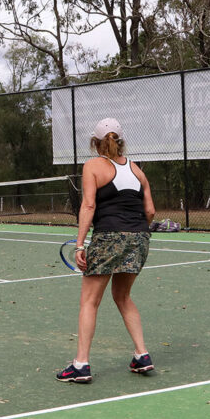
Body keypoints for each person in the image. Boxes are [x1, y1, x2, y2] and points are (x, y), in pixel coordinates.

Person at [57, 118, 155, 384]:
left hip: (109, 236)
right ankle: (142, 355)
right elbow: (150, 211)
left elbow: (88, 206)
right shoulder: (137, 170)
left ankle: (80, 365)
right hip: (140, 238)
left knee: (89, 301)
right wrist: (133, 234)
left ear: (95, 142)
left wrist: (80, 244)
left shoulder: (92, 166)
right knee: (123, 297)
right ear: (120, 140)